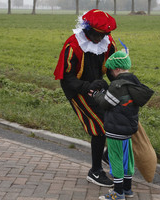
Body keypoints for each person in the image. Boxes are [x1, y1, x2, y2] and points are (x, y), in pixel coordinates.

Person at [53, 9, 117, 187]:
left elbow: (112, 67)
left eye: (104, 34)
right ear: (88, 29)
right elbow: (67, 77)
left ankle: (106, 156)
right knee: (100, 124)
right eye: (97, 34)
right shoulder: (73, 45)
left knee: (115, 117)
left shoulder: (107, 42)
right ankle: (95, 171)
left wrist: (120, 85)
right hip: (76, 88)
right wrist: (85, 87)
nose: (100, 38)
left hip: (97, 85)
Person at [89, 51, 153, 200]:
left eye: (110, 70)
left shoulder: (117, 85)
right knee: (127, 159)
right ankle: (127, 189)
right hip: (128, 130)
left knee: (115, 159)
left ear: (117, 69)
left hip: (115, 129)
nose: (110, 73)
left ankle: (118, 193)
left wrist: (96, 95)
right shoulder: (134, 82)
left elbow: (106, 103)